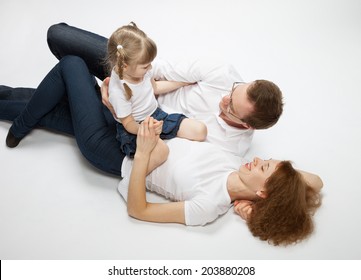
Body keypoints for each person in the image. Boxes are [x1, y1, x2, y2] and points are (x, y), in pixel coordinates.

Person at [1, 55, 322, 246]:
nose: (257, 159)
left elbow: (139, 210)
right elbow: (314, 182)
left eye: (263, 167)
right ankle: (19, 115)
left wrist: (142, 155)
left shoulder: (209, 206)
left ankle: (19, 130)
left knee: (71, 67)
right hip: (127, 126)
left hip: (114, 151)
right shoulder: (231, 160)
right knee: (50, 104)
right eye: (265, 160)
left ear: (264, 191)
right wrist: (260, 197)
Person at [46, 22, 284, 156]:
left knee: (54, 103)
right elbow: (158, 68)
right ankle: (77, 84)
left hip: (140, 123)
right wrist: (122, 81)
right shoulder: (221, 72)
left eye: (231, 106)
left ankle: (76, 88)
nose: (224, 99)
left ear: (247, 125)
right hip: (139, 76)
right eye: (233, 91)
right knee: (59, 35)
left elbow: (172, 152)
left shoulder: (231, 147)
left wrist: (114, 107)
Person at [106, 22, 206, 169]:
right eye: (146, 66)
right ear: (125, 66)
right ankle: (131, 177)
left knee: (200, 130)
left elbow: (155, 88)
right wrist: (149, 130)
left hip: (156, 115)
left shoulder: (144, 72)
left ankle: (159, 135)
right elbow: (128, 124)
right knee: (161, 152)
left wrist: (182, 83)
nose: (151, 68)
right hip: (136, 128)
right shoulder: (118, 91)